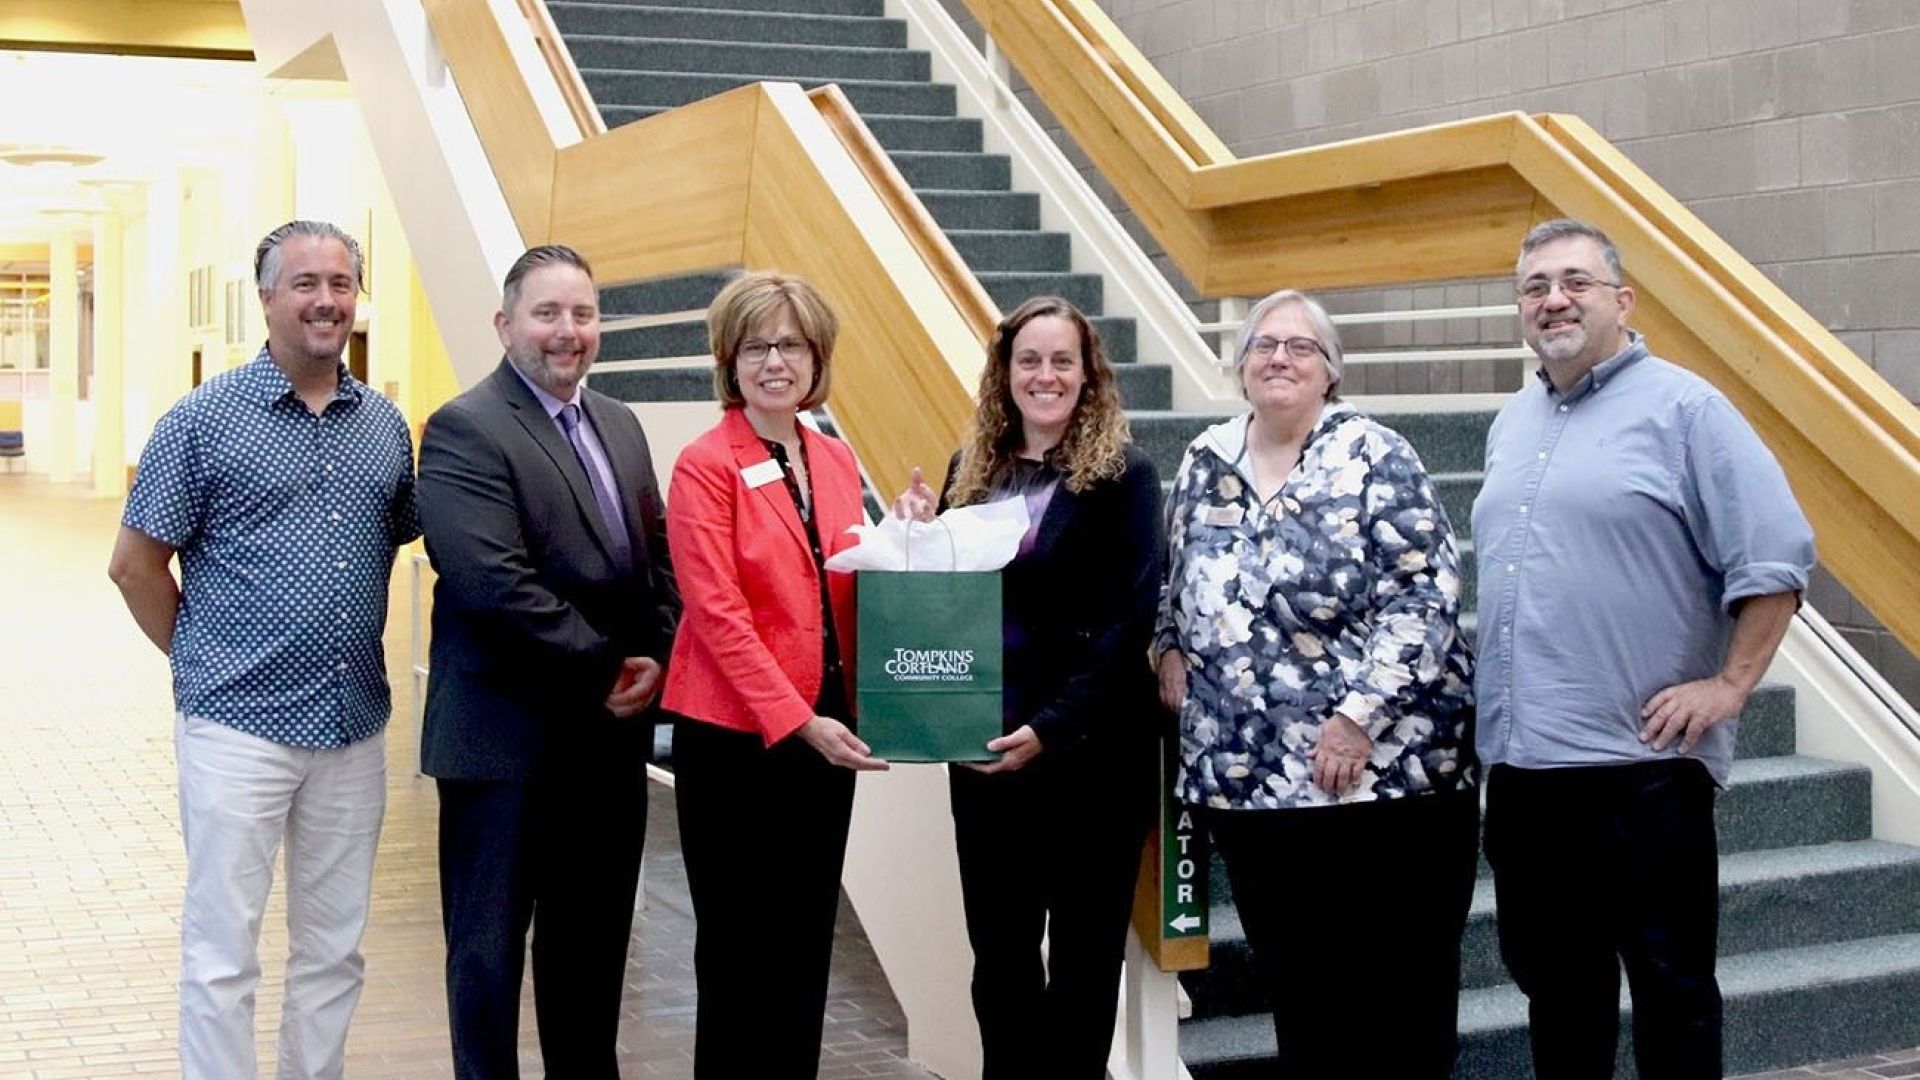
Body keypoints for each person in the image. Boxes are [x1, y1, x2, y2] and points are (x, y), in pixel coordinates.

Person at [1475, 219, 1815, 1079]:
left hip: (1644, 770)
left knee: (1672, 995)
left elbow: (1776, 555)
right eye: (1535, 286)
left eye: (1575, 282)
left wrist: (1729, 686)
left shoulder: (1687, 409)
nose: (1553, 298)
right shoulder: (1511, 422)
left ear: (1622, 300)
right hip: (1526, 772)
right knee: (1558, 995)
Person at [108, 220, 418, 1080]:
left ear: (358, 299)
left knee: (333, 950)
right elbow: (134, 566)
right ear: (267, 299)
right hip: (236, 731)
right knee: (222, 952)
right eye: (306, 283)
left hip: (352, 726)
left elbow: (390, 544)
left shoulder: (384, 428)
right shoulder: (201, 423)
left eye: (341, 284)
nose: (326, 300)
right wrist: (202, 661)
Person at [1152, 288, 1478, 1077]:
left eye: (1300, 347)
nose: (1279, 358)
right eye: (1263, 345)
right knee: (1302, 994)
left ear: (1330, 371)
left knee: (1396, 997)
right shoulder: (1206, 461)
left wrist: (1358, 717)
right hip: (1253, 787)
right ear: (1240, 368)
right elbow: (1173, 578)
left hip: (1381, 784)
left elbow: (1425, 596)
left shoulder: (1377, 455)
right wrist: (1166, 645)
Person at [415, 244, 679, 1079]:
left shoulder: (622, 423)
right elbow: (495, 583)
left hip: (603, 751)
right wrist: (609, 665)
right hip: (504, 748)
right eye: (547, 313)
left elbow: (658, 561)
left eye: (583, 314)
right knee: (488, 964)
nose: (568, 332)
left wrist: (661, 652)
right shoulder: (466, 427)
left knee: (593, 956)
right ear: (505, 324)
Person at [894, 296, 1163, 1080]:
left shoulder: (1126, 476)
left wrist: (1049, 727)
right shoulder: (970, 470)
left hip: (1091, 758)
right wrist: (916, 536)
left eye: (1062, 362)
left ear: (1089, 375)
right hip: (984, 759)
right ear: (1004, 374)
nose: (1045, 377)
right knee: (1001, 960)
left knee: (1083, 965)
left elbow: (1130, 622)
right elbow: (948, 607)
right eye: (1029, 361)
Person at [661, 270, 884, 1079]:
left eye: (790, 344)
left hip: (826, 734)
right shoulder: (704, 464)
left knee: (804, 937)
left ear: (816, 356)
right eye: (756, 346)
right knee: (737, 947)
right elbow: (715, 613)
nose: (774, 362)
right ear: (730, 359)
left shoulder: (833, 457)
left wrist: (914, 544)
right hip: (734, 737)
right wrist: (797, 718)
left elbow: (850, 580)